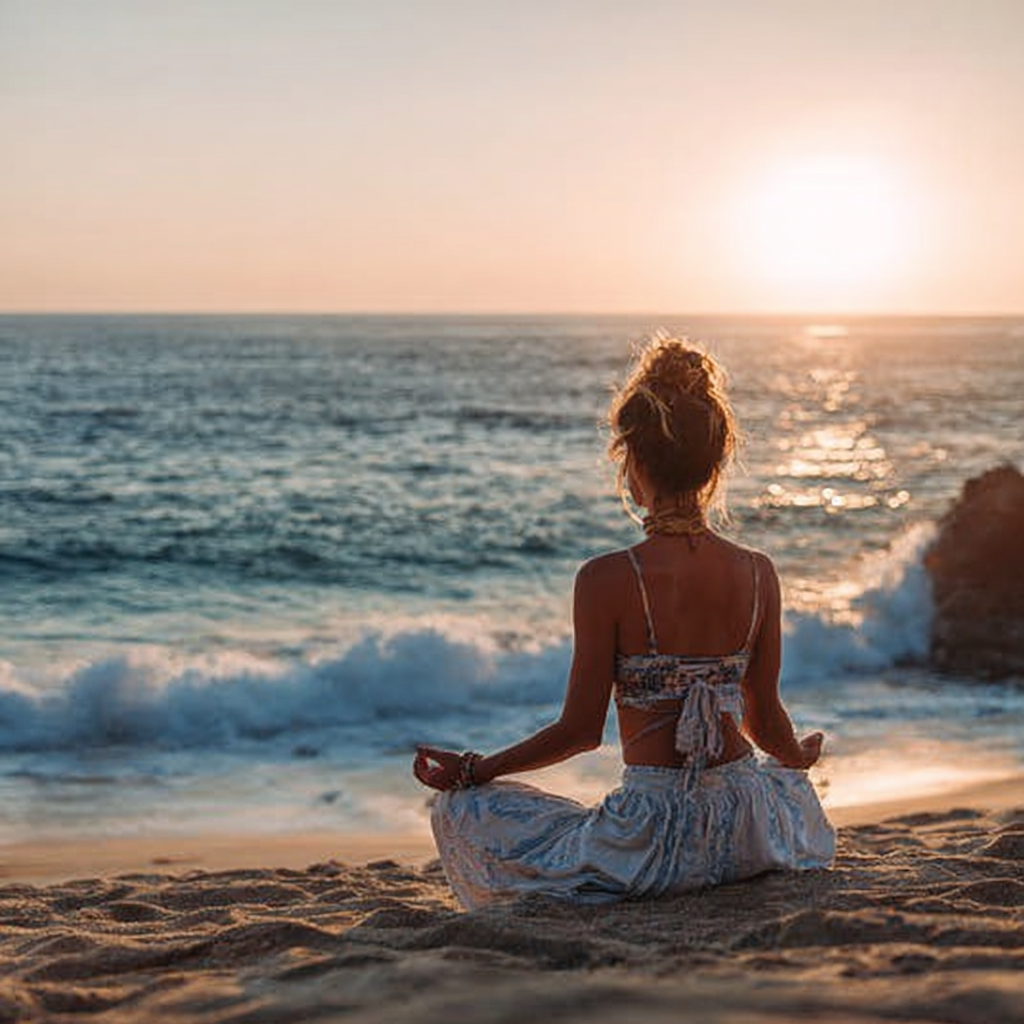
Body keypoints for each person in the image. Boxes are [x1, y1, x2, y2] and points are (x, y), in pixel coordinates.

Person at [413, 336, 835, 909]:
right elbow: (766, 721)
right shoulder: (759, 573)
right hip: (747, 832)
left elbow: (580, 732)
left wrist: (473, 769)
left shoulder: (607, 579)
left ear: (632, 460)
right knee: (781, 781)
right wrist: (799, 759)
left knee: (461, 809)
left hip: (654, 840)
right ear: (715, 463)